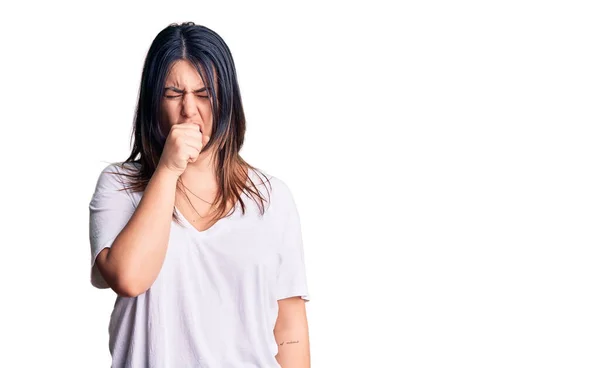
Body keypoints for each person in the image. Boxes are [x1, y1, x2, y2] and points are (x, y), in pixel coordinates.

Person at [88, 22, 311, 367]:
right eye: (174, 94)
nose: (189, 110)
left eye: (204, 93)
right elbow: (129, 278)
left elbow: (289, 324)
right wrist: (167, 169)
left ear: (227, 100)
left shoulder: (272, 199)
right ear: (153, 102)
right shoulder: (118, 185)